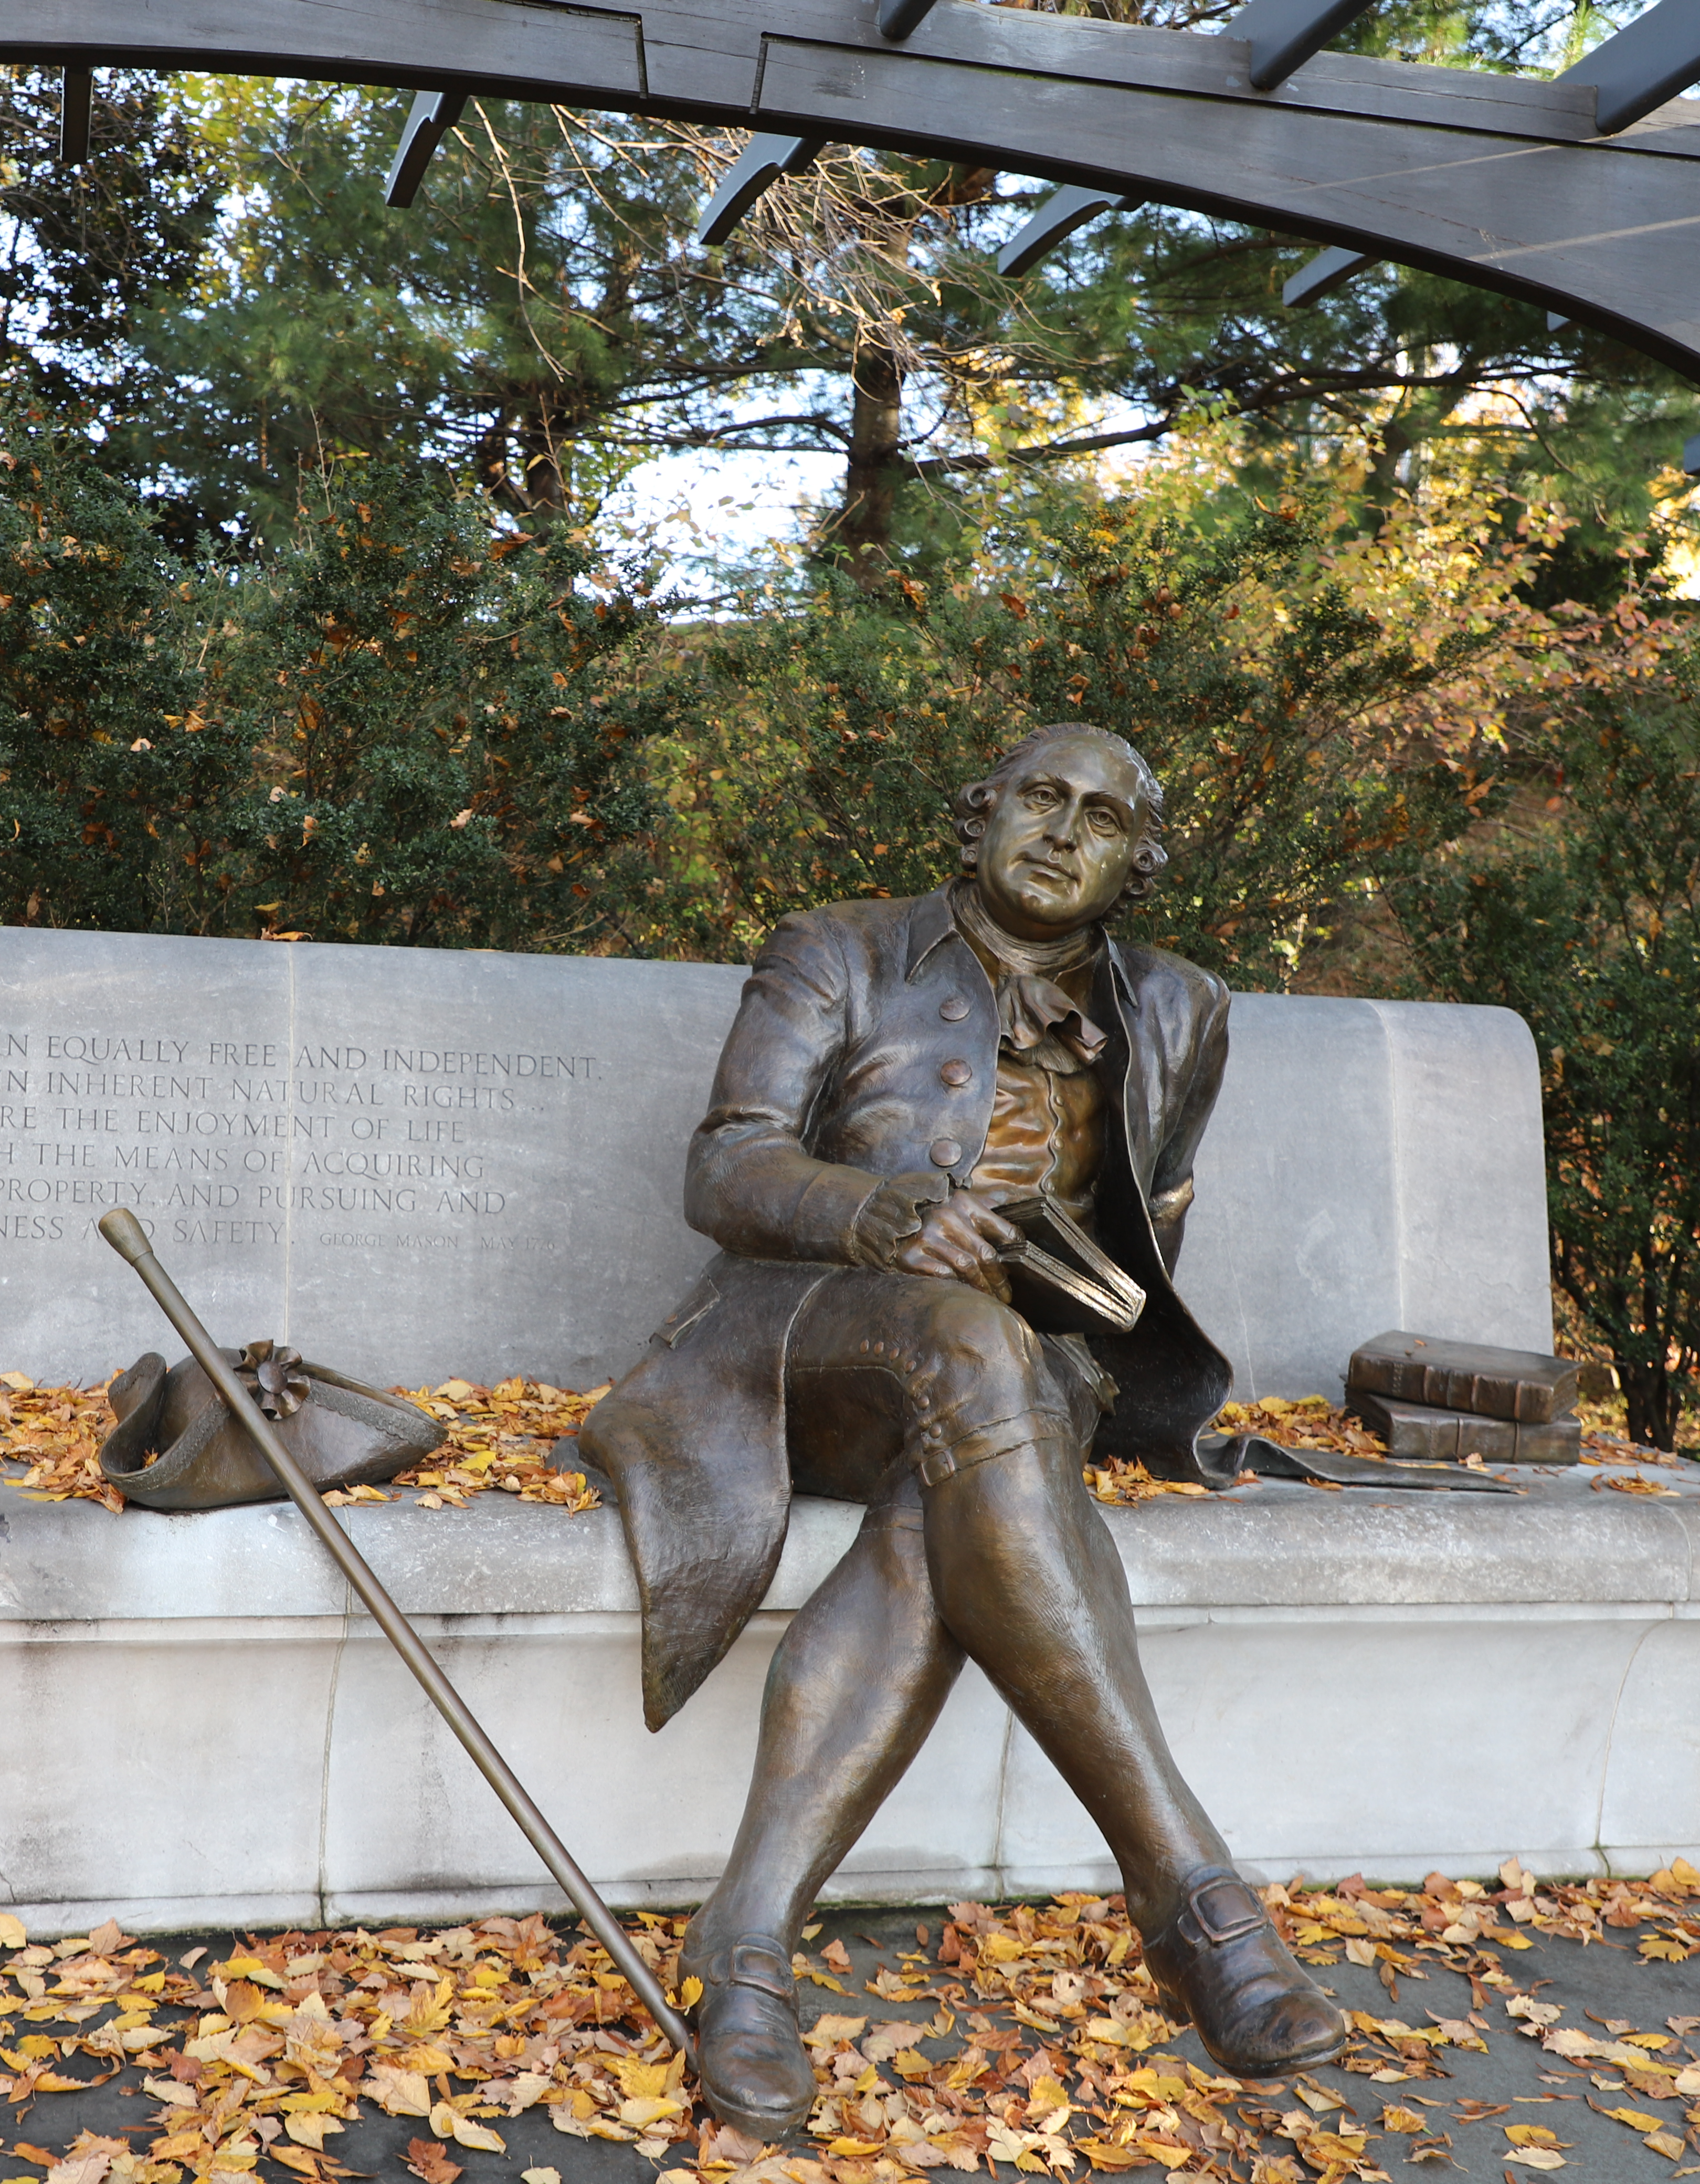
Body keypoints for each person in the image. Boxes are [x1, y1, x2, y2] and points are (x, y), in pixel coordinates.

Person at [572, 722, 1349, 2141]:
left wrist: (1084, 1307)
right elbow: (726, 1164)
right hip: (799, 1342)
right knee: (975, 1366)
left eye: (1102, 819)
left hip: (1013, 1385)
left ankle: (745, 1941)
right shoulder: (840, 949)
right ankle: (1196, 1899)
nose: (1062, 833)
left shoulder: (1182, 1006)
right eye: (1040, 798)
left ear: (1135, 863)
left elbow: (1153, 1226)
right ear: (980, 814)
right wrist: (873, 1212)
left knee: (952, 1488)